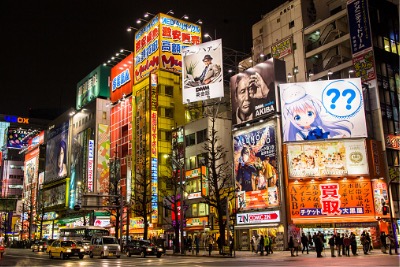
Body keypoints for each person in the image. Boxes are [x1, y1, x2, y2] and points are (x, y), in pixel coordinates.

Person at [282, 85, 353, 141]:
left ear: (315, 113)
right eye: (297, 117)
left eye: (309, 113)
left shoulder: (319, 127)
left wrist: (341, 137)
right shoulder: (299, 135)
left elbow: (329, 139)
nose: (305, 119)